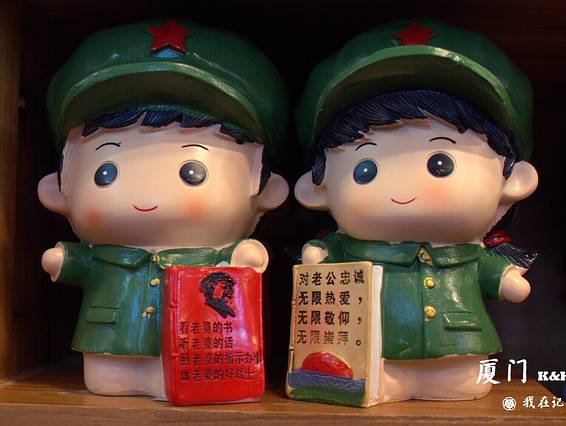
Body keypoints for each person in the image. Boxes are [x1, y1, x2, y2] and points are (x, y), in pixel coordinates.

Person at [38, 18, 289, 398]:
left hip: (196, 345)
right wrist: (62, 260)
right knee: (108, 376)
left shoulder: (209, 254)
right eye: (107, 172)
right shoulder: (104, 256)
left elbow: (233, 275)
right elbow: (80, 263)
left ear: (264, 188)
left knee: (179, 374)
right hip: (110, 338)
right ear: (59, 189)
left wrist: (241, 257)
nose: (147, 192)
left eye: (192, 172)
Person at [294, 18, 539, 403]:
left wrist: (506, 278)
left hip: (459, 347)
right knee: (372, 376)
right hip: (374, 353)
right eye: (366, 169)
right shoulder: (352, 250)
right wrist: (319, 255)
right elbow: (324, 265)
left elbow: (489, 270)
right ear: (317, 188)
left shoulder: (468, 254)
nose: (403, 188)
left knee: (461, 377)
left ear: (513, 180)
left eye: (441, 164)